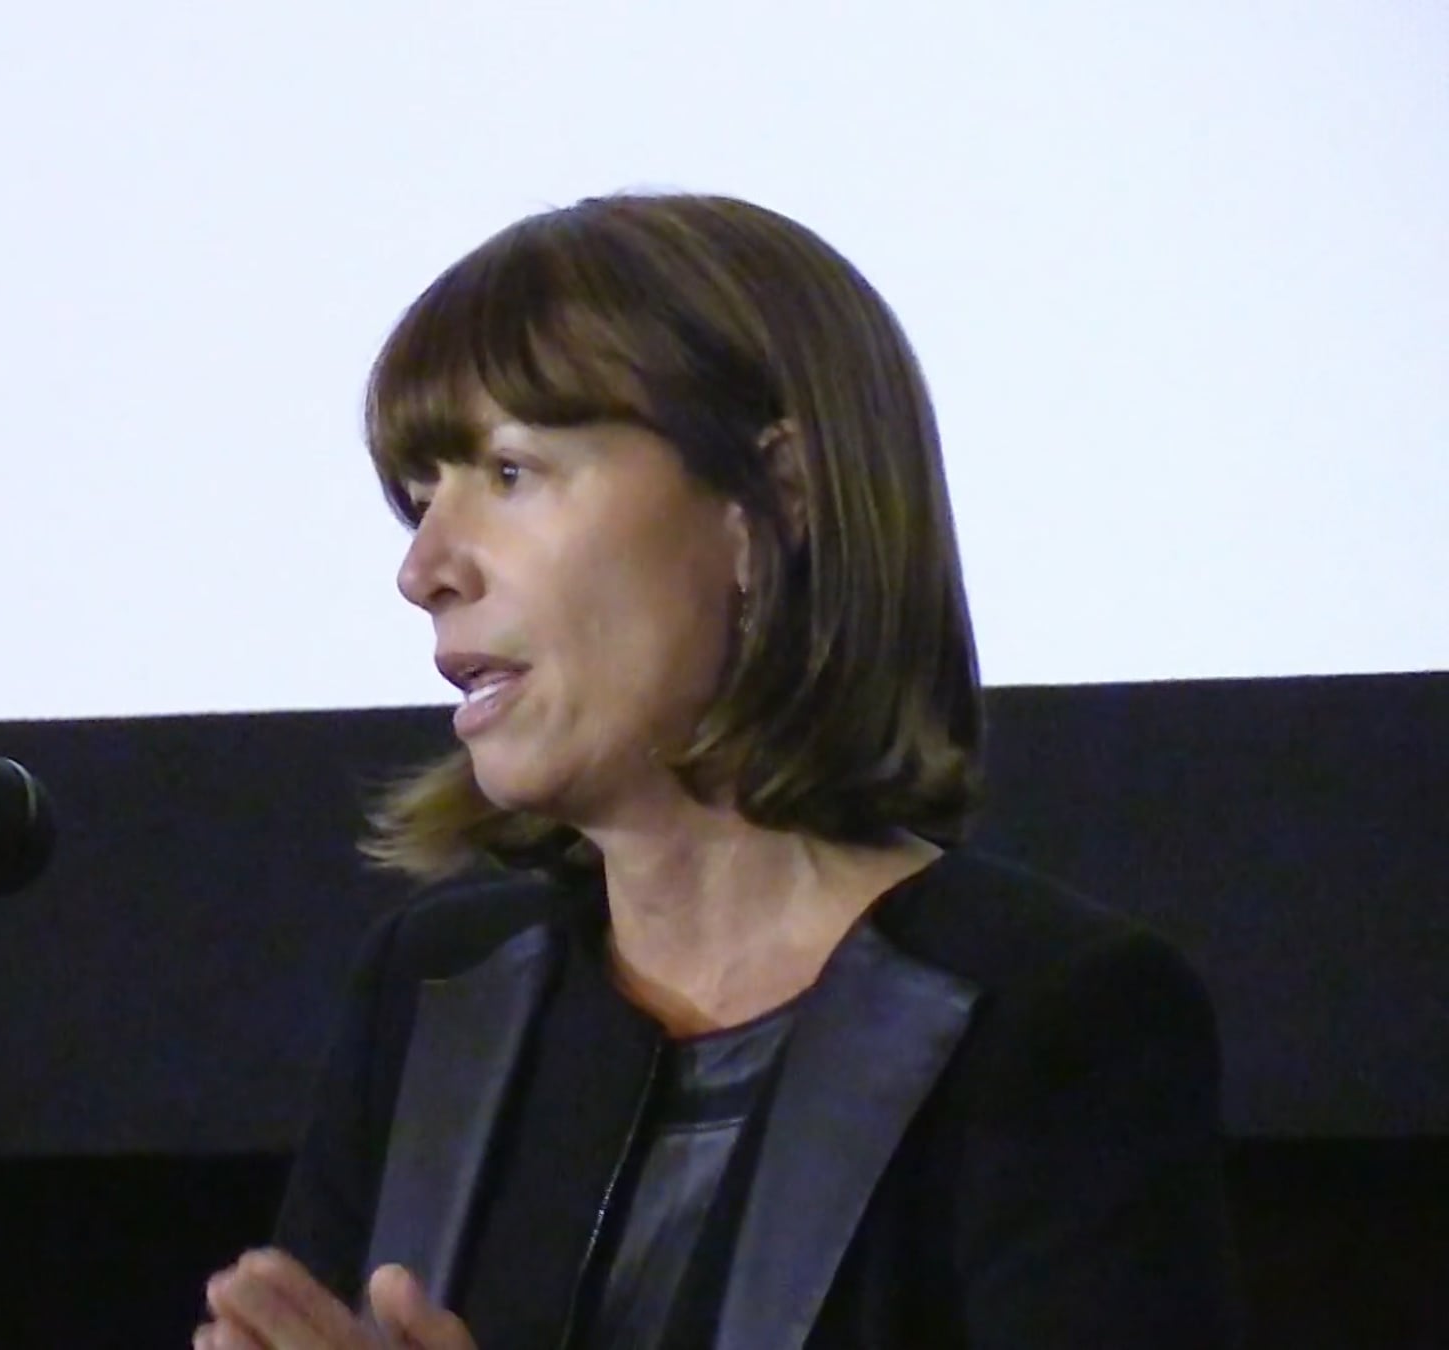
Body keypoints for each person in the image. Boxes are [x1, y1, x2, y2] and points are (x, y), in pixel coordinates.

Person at [195, 193, 1243, 1349]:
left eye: (509, 472)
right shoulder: (440, 993)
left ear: (775, 499)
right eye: (417, 500)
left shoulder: (1057, 1018)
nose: (425, 568)